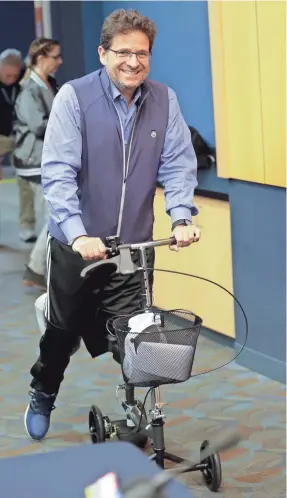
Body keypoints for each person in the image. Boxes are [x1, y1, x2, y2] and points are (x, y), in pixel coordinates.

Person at [24, 9, 200, 441]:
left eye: (142, 54)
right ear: (103, 53)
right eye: (123, 52)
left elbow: (178, 164)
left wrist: (181, 215)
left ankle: (135, 409)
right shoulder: (74, 97)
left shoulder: (164, 100)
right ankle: (42, 392)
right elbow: (59, 171)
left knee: (136, 337)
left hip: (133, 249)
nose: (133, 62)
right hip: (76, 247)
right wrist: (77, 232)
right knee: (61, 335)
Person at [13, 38, 62, 289]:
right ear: (42, 59)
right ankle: (37, 269)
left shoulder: (47, 84)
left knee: (56, 217)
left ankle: (38, 269)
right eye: (56, 57)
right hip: (36, 162)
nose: (60, 61)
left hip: (46, 160)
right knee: (57, 218)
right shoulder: (30, 91)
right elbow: (39, 126)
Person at [0, 49, 36, 242]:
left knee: (25, 181)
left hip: (19, 136)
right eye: (7, 75)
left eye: (15, 75)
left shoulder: (23, 79)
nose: (11, 79)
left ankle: (27, 226)